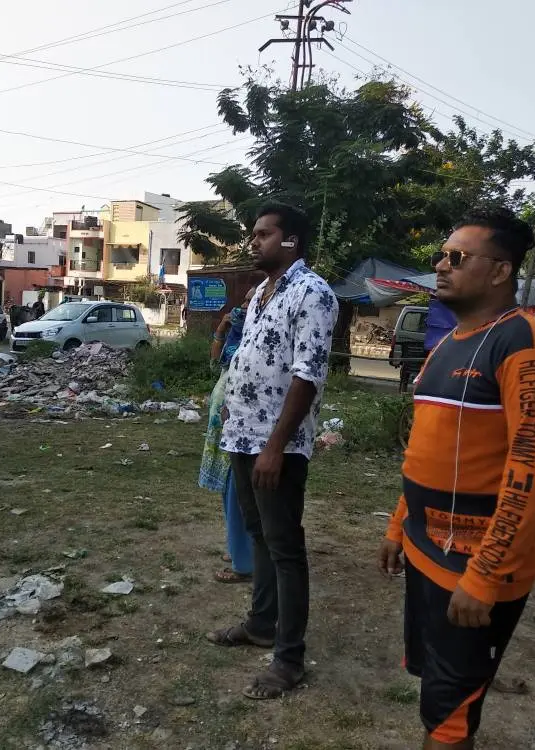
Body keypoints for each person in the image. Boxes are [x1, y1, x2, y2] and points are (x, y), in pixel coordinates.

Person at [377, 207, 535, 750]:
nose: (441, 266)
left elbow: (532, 471)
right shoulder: (449, 343)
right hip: (426, 547)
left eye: (458, 257)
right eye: (441, 255)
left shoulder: (528, 346)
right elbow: (428, 450)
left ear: (500, 271)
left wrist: (485, 576)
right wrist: (398, 525)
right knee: (437, 695)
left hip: (473, 561)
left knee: (451, 717)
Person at [206, 201, 338, 700]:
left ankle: (289, 659)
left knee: (284, 548)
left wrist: (276, 447)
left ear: (290, 241)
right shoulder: (262, 292)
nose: (254, 241)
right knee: (259, 534)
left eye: (264, 234)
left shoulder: (313, 292)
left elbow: (308, 373)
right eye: (254, 233)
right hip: (241, 436)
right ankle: (261, 624)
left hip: (275, 445)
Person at [199, 287, 259, 584]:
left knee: (239, 491)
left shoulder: (259, 337)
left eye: (251, 301)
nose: (244, 306)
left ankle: (244, 562)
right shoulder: (237, 335)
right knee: (228, 488)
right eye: (243, 300)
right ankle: (238, 548)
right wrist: (222, 329)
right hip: (222, 423)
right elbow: (216, 363)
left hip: (239, 423)